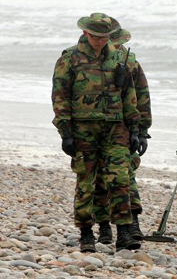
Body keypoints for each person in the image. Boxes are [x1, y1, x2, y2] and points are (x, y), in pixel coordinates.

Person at [51, 13, 141, 252]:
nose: (100, 41)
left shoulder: (119, 58)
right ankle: (86, 233)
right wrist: (66, 132)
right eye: (96, 37)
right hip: (83, 130)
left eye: (105, 37)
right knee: (86, 182)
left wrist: (135, 128)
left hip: (114, 128)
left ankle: (123, 231)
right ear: (85, 34)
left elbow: (129, 95)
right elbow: (60, 96)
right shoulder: (70, 59)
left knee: (120, 178)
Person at [92, 24, 152, 244]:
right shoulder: (90, 62)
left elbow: (142, 96)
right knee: (98, 178)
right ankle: (104, 226)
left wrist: (142, 130)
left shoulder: (130, 62)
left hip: (125, 129)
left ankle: (132, 223)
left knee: (125, 176)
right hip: (96, 129)